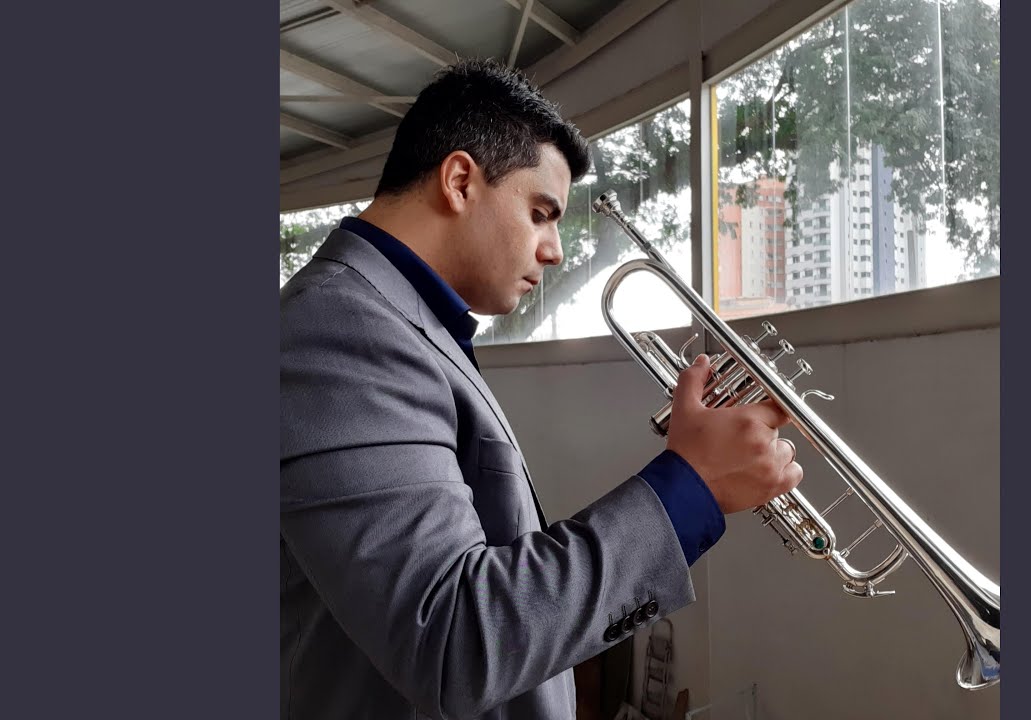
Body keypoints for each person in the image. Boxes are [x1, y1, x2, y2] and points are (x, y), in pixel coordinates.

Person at [280, 58, 803, 720]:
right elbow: (453, 640)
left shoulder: (398, 322)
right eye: (540, 213)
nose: (555, 249)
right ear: (460, 181)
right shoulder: (340, 325)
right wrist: (690, 487)